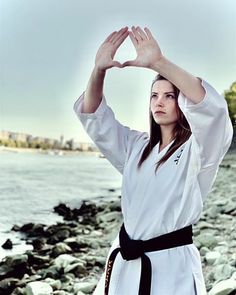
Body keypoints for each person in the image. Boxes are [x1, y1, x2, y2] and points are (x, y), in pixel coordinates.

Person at [73, 26, 233, 295]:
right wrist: (98, 70)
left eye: (169, 96)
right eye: (154, 96)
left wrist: (159, 63)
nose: (159, 102)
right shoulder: (136, 147)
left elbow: (213, 110)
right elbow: (94, 117)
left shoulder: (199, 150)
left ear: (182, 102)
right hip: (125, 260)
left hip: (171, 268)